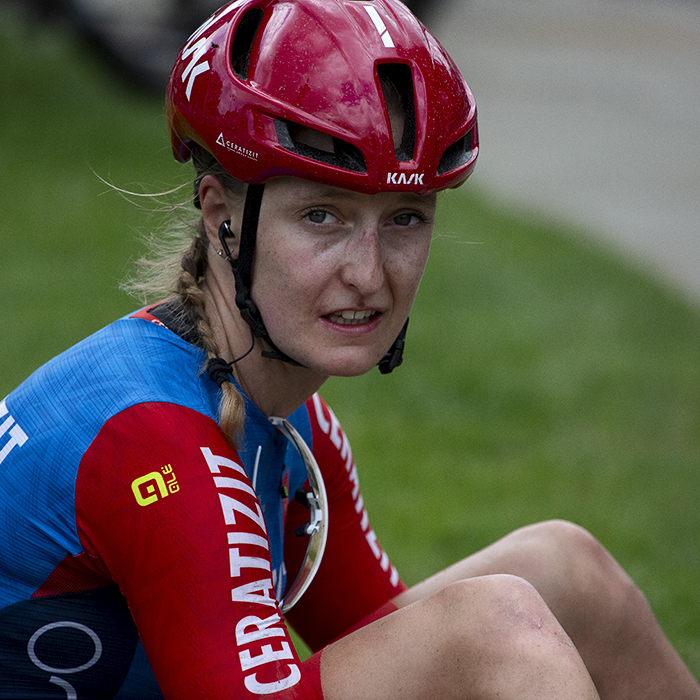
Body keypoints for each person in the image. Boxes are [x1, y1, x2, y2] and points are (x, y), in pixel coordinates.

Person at [0, 0, 698, 698]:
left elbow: (377, 641)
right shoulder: (155, 439)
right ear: (222, 220)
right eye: (321, 215)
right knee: (500, 632)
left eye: (403, 219)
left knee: (567, 569)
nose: (369, 274)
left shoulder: (288, 422)